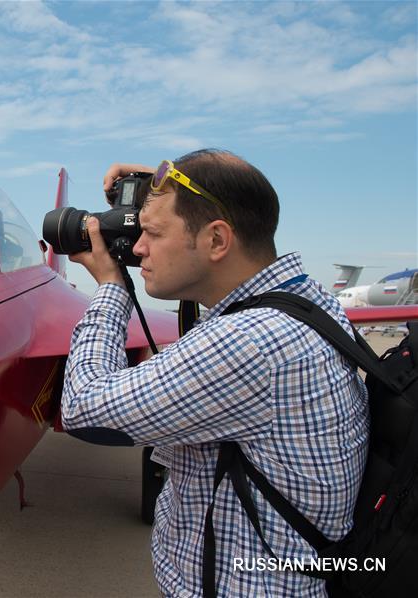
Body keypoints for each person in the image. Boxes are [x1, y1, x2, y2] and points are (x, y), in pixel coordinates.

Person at [61, 149, 368, 597]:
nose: (138, 247)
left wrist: (110, 288)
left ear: (218, 241)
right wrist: (167, 185)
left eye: (152, 232)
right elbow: (239, 203)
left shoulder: (249, 342)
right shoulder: (304, 298)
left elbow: (84, 408)